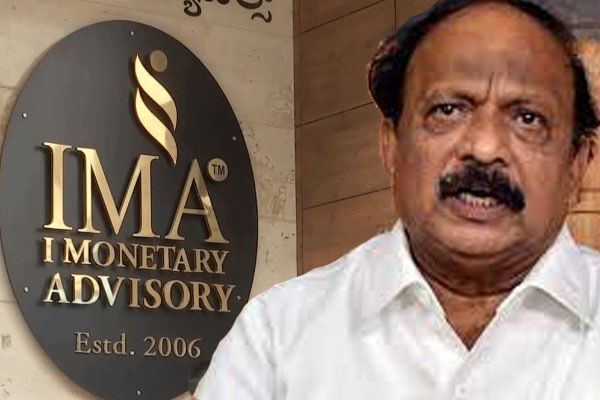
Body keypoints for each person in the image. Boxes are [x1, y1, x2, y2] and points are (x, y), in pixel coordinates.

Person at [194, 0, 600, 398]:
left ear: (578, 163)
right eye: (448, 110)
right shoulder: (276, 337)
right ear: (391, 146)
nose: (484, 147)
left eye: (528, 118)